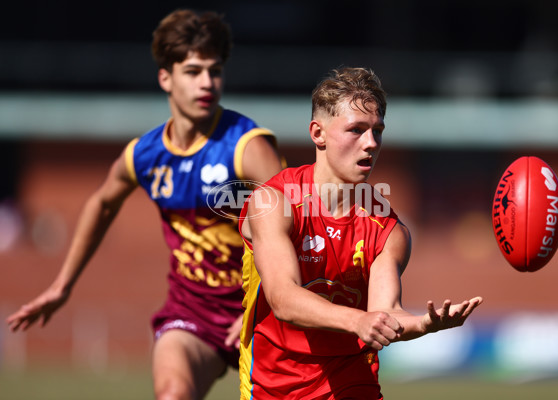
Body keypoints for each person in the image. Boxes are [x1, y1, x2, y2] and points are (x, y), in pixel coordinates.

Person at [6, 9, 283, 400]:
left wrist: (266, 302)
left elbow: (298, 223)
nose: (207, 82)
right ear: (165, 78)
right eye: (193, 71)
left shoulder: (247, 147)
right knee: (172, 394)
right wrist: (62, 285)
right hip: (192, 315)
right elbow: (102, 204)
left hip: (263, 313)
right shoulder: (146, 154)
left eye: (215, 70)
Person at [237, 67, 483, 399]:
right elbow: (283, 299)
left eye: (377, 131)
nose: (370, 143)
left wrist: (423, 324)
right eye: (356, 130)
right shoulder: (273, 201)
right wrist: (357, 321)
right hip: (271, 385)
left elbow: (387, 312)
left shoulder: (390, 231)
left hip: (352, 380)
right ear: (318, 133)